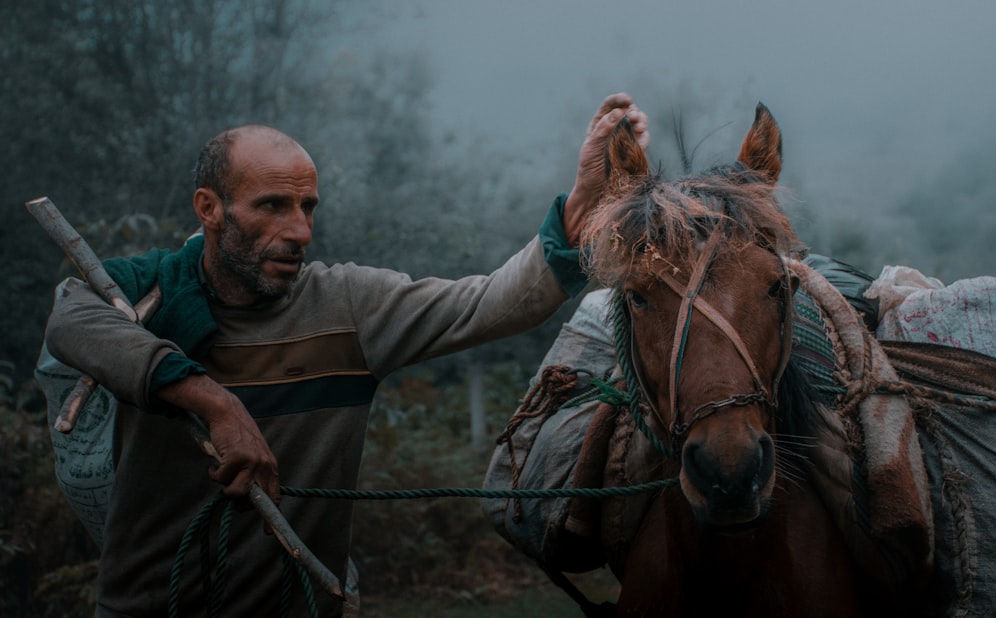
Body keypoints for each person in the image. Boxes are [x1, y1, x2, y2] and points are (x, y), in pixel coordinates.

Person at [41, 93, 649, 617]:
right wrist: (213, 401)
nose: (301, 230)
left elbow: (489, 303)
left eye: (307, 207)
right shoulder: (144, 296)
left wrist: (581, 204)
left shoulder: (349, 306)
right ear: (210, 208)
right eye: (273, 206)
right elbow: (70, 315)